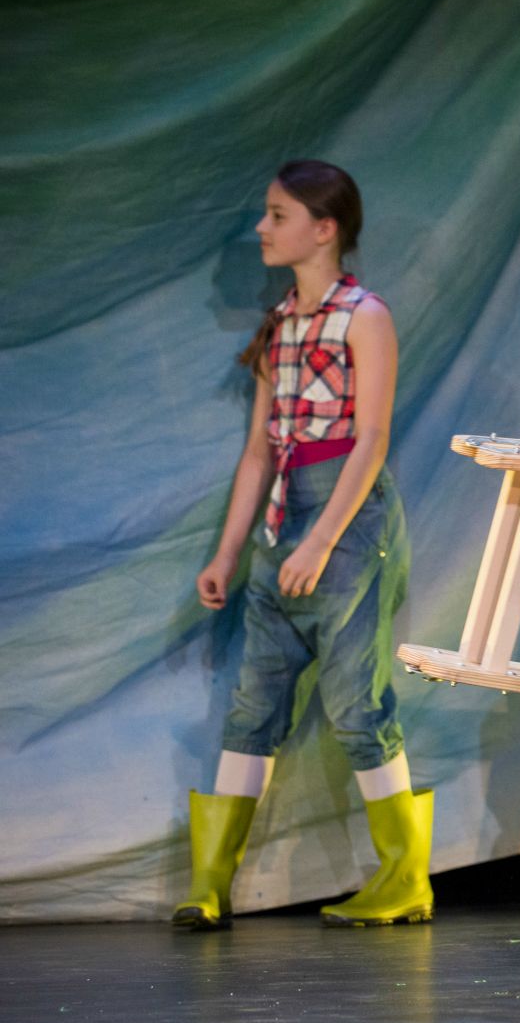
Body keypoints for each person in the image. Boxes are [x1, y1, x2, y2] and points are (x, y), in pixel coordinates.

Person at [173, 160, 429, 931]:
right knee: (254, 702)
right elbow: (260, 451)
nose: (262, 226)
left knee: (357, 703)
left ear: (324, 229)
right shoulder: (282, 325)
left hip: (344, 520)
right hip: (284, 517)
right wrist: (227, 553)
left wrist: (321, 540)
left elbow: (372, 438)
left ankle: (404, 878)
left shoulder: (365, 315)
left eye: (277, 214)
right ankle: (209, 882)